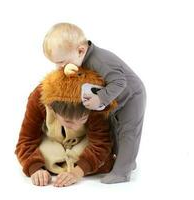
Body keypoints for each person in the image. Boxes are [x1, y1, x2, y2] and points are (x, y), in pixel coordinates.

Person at [42, 23, 146, 183]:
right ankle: (125, 161)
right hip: (114, 100)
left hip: (132, 96)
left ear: (80, 50)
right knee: (114, 131)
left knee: (128, 132)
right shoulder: (81, 58)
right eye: (55, 63)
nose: (59, 67)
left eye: (62, 62)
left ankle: (122, 172)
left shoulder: (100, 60)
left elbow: (119, 82)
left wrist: (100, 98)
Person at [15, 65, 117, 187]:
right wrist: (35, 168)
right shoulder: (38, 97)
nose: (75, 127)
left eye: (83, 119)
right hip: (52, 141)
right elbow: (26, 140)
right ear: (52, 109)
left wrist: (77, 172)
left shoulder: (94, 100)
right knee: (43, 152)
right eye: (68, 121)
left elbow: (101, 143)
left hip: (84, 141)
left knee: (105, 160)